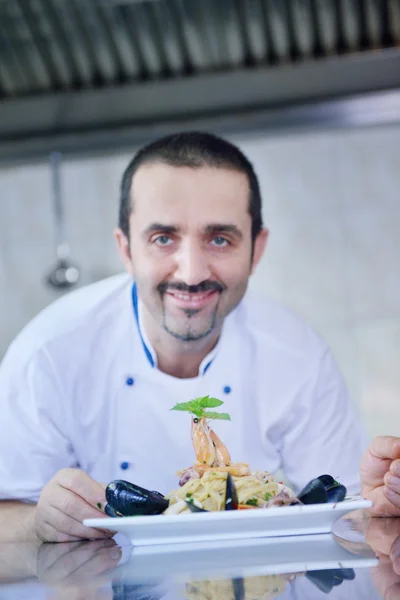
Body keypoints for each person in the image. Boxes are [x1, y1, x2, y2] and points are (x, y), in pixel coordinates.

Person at [0, 132, 396, 544]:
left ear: (256, 251)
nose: (191, 273)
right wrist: (36, 524)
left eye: (220, 239)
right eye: (163, 238)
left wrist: (376, 512)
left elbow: (346, 516)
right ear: (126, 249)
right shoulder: (47, 354)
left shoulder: (299, 358)